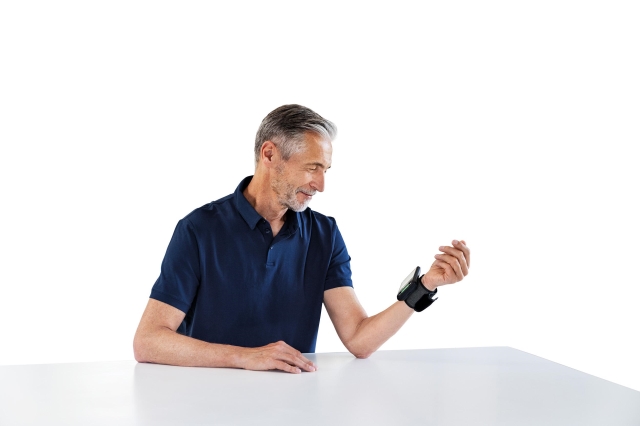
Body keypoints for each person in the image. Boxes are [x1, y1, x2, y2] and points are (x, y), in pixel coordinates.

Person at [133, 104, 471, 374]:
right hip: (207, 405)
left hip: (296, 404)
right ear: (269, 155)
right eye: (312, 167)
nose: (320, 185)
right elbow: (148, 341)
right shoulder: (198, 229)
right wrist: (245, 357)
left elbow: (359, 339)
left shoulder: (325, 234)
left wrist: (425, 286)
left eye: (325, 170)